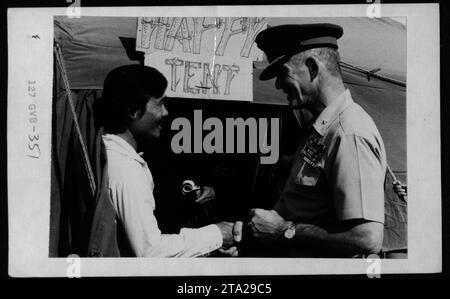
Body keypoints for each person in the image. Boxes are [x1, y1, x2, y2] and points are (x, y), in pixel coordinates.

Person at [241, 23, 388, 257]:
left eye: (283, 73)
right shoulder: (322, 127)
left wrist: (282, 231)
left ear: (312, 68)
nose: (278, 84)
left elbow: (367, 238)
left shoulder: (347, 132)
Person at [97, 64, 241, 257]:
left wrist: (205, 246)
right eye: (159, 104)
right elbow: (150, 251)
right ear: (133, 111)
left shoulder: (110, 153)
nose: (165, 112)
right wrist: (216, 234)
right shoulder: (126, 168)